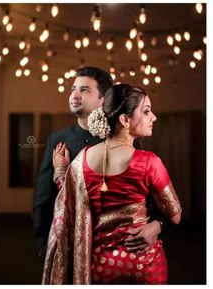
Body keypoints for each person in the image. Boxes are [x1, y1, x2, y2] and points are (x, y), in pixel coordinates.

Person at [42, 83, 182, 284]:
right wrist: (157, 224)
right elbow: (175, 214)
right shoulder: (149, 162)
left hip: (99, 268)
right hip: (144, 267)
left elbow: (71, 203)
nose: (154, 117)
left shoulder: (81, 161)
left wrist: (60, 172)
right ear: (125, 119)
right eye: (146, 111)